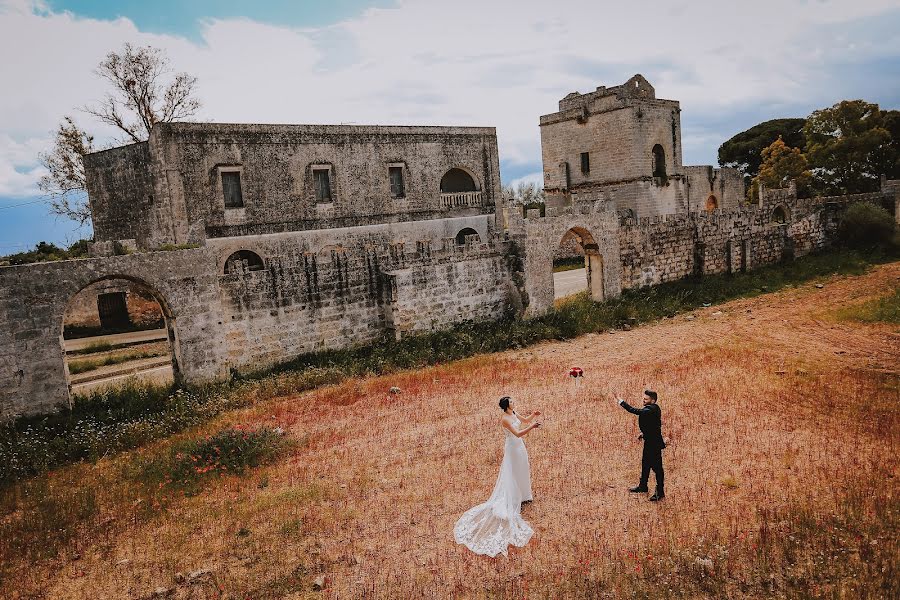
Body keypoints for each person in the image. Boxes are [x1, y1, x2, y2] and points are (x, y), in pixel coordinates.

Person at [454, 396, 541, 557]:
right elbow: (518, 434)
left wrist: (533, 416)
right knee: (514, 471)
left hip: (520, 448)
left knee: (523, 468)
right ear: (506, 406)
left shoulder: (514, 413)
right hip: (513, 448)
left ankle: (524, 494)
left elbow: (524, 419)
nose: (514, 403)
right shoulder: (505, 420)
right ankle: (515, 496)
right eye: (512, 402)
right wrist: (533, 427)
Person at [615, 390, 665, 501]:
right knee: (645, 465)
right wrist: (644, 433)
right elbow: (653, 425)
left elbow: (634, 410)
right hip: (650, 442)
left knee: (657, 469)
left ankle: (660, 492)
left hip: (654, 444)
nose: (644, 400)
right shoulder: (653, 409)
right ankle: (643, 486)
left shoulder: (649, 410)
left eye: (646, 399)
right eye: (643, 398)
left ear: (653, 400)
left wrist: (621, 401)